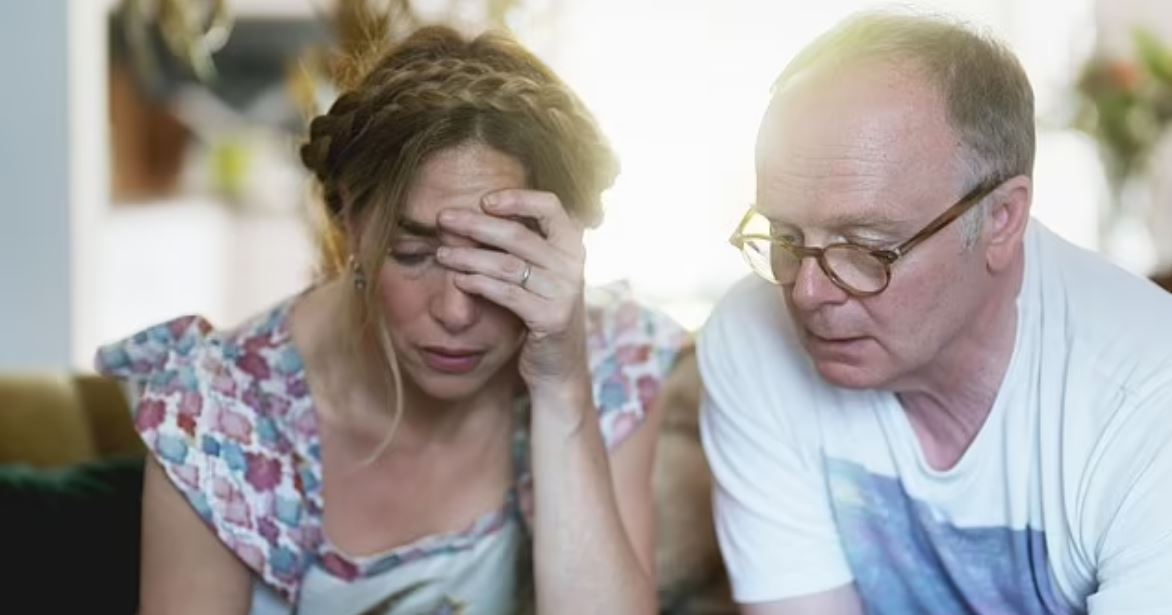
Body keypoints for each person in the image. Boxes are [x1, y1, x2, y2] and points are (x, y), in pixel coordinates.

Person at [97, 25, 688, 615]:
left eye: (499, 262)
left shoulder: (611, 359)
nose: (456, 312)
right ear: (350, 218)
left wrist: (562, 389)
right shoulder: (219, 413)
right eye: (412, 254)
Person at [698, 11, 1172, 615]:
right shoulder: (750, 338)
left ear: (1001, 219)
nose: (808, 292)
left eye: (866, 248)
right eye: (786, 236)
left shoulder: (1151, 398)